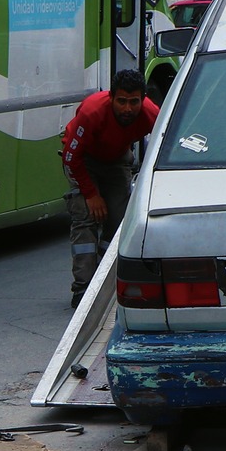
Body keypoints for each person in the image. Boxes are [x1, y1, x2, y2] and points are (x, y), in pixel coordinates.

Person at [60, 69, 158, 309]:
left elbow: (162, 151)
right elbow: (71, 158)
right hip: (85, 161)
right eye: (121, 101)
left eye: (134, 102)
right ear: (111, 97)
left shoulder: (152, 115)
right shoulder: (92, 112)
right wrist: (91, 194)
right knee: (85, 216)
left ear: (142, 99)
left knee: (118, 220)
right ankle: (83, 288)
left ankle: (104, 281)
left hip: (116, 160)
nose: (127, 109)